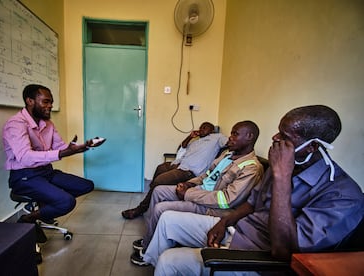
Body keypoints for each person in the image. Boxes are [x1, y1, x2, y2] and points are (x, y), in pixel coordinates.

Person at [142, 105, 364, 276]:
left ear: (313, 146)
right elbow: (252, 203)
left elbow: (284, 252)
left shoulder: (342, 195)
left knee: (170, 261)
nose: (275, 138)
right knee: (168, 218)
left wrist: (282, 178)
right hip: (238, 230)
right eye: (278, 132)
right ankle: (148, 260)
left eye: (285, 137)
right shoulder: (263, 162)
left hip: (258, 256)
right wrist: (224, 223)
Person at [130, 121, 264, 266]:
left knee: (160, 209)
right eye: (231, 133)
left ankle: (150, 255)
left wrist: (188, 193)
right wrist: (191, 183)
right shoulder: (227, 155)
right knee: (158, 190)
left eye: (235, 134)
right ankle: (150, 240)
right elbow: (207, 174)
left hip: (212, 207)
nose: (230, 137)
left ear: (249, 137)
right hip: (198, 191)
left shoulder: (251, 168)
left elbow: (226, 200)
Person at [2, 84, 105, 233]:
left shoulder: (47, 124)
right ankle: (28, 219)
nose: (50, 106)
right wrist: (64, 153)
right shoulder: (15, 124)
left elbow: (61, 148)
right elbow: (25, 157)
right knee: (67, 202)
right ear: (30, 101)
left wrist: (83, 146)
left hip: (46, 172)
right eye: (46, 101)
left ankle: (44, 209)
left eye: (51, 102)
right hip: (25, 176)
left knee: (86, 185)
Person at [122, 122, 227, 219]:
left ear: (212, 131)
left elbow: (228, 143)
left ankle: (141, 209)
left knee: (160, 180)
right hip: (179, 164)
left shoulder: (217, 138)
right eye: (200, 127)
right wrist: (190, 136)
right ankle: (152, 194)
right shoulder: (197, 141)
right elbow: (182, 147)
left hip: (189, 171)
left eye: (205, 127)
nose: (201, 129)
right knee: (160, 168)